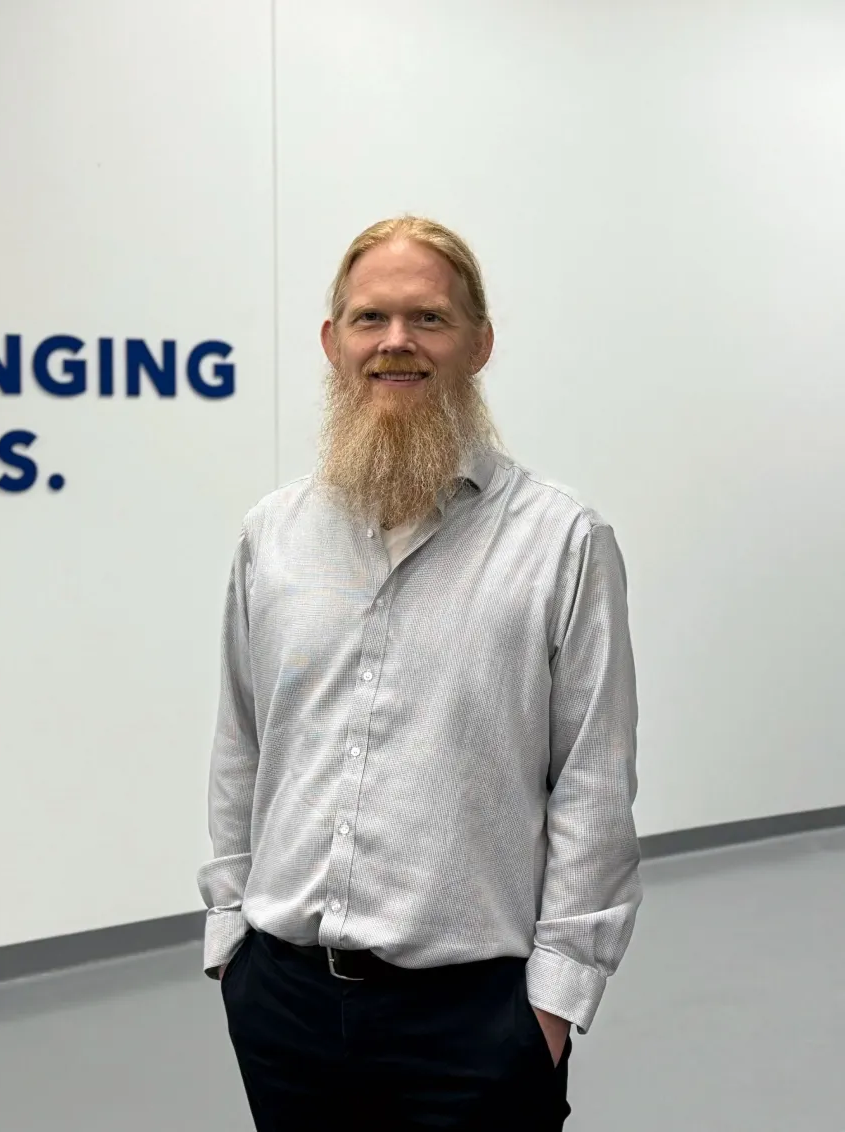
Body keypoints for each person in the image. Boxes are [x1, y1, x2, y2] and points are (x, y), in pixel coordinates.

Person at [197, 216, 641, 1130]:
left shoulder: (562, 543)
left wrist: (551, 1009)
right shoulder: (271, 537)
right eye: (370, 318)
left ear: (479, 344)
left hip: (476, 1021)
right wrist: (231, 936)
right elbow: (241, 743)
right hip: (282, 1002)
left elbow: (594, 783)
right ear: (333, 343)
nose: (396, 342)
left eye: (428, 319)